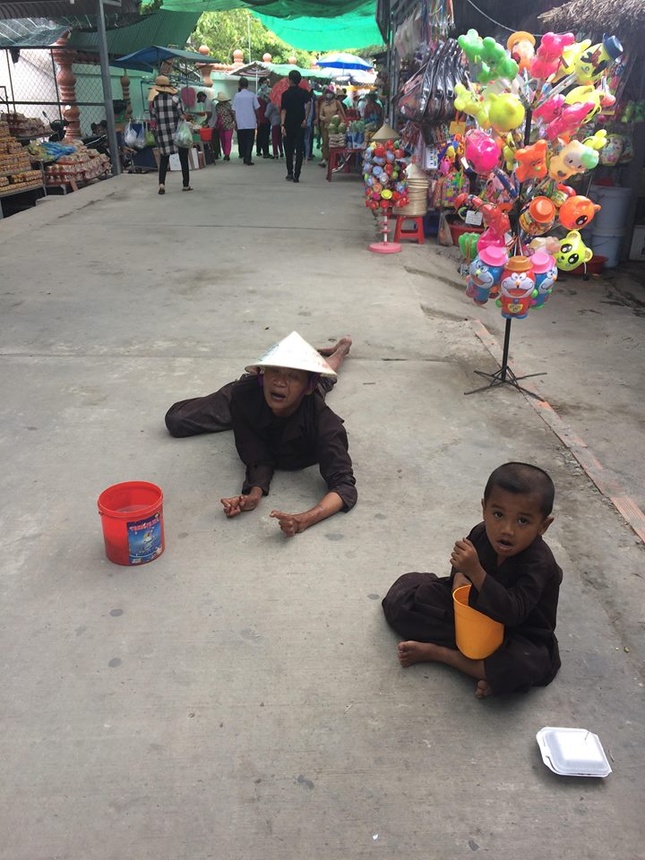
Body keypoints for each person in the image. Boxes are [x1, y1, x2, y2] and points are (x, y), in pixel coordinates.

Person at [382, 462, 562, 698]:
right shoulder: (481, 533)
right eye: (498, 515)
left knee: (522, 665)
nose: (506, 529)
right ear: (484, 508)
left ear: (543, 525)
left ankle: (443, 655)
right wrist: (459, 577)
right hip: (474, 616)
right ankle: (485, 671)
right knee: (405, 600)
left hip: (517, 633)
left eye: (523, 521)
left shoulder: (540, 563)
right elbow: (459, 568)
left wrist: (476, 572)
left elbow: (514, 612)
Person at [164, 332, 356, 537]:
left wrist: (304, 520)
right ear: (262, 375)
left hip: (305, 397)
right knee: (177, 420)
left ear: (306, 387)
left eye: (292, 376)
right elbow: (256, 450)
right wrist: (253, 494)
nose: (280, 382)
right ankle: (243, 405)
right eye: (274, 371)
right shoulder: (244, 394)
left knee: (324, 381)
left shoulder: (324, 424)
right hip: (251, 395)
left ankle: (342, 348)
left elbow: (344, 487)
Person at [149, 74, 191, 195]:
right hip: (177, 135)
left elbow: (153, 119)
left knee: (164, 160)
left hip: (163, 135)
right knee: (183, 159)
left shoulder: (155, 102)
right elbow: (182, 116)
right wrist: (185, 117)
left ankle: (162, 184)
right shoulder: (175, 99)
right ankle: (186, 184)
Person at [280, 70, 311, 184]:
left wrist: (282, 125)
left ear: (290, 80)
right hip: (300, 124)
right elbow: (308, 103)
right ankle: (297, 175)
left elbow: (283, 110)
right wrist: (305, 118)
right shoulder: (304, 93)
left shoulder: (285, 94)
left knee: (288, 150)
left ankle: (289, 172)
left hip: (288, 124)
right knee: (299, 150)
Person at [232, 77, 259, 166]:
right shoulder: (252, 95)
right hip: (250, 121)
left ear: (239, 85)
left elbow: (234, 110)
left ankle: (243, 155)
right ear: (247, 85)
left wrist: (235, 121)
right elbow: (256, 108)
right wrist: (258, 119)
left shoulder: (237, 96)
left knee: (242, 140)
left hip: (240, 121)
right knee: (250, 141)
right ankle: (248, 157)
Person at [317, 86, 346, 169]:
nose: (328, 95)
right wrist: (324, 118)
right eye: (327, 93)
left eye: (330, 93)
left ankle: (334, 160)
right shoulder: (323, 104)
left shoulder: (336, 103)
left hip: (335, 126)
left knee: (334, 143)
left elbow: (342, 113)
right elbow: (320, 115)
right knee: (325, 143)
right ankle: (324, 159)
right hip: (325, 126)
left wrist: (344, 121)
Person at [213, 92, 235, 161]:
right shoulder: (217, 106)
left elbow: (233, 114)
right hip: (221, 125)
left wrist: (233, 121)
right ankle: (225, 153)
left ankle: (227, 154)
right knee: (223, 140)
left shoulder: (229, 105)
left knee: (227, 140)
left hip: (229, 125)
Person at [255, 82, 272, 159]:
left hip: (259, 120)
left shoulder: (257, 100)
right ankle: (266, 152)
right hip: (266, 120)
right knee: (265, 136)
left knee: (259, 135)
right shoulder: (267, 101)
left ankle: (258, 151)